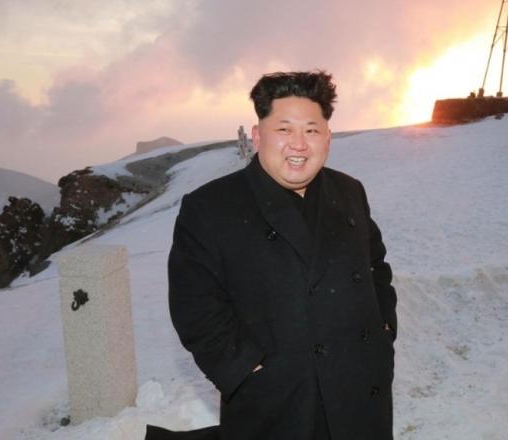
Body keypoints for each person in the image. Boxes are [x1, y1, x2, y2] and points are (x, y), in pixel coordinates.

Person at [168, 70, 397, 440]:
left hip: (360, 390)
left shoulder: (349, 191)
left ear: (328, 138)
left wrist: (384, 326)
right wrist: (245, 369)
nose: (299, 144)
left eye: (311, 130)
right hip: (281, 401)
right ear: (258, 136)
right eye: (284, 129)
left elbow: (375, 265)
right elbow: (194, 307)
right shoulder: (211, 207)